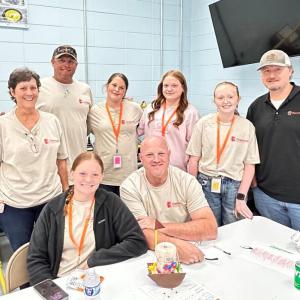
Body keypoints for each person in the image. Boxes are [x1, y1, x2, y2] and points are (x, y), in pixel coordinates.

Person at [27, 152, 148, 285]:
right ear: (72, 174)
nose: (89, 180)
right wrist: (52, 291)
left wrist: (96, 259)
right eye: (82, 174)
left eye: (95, 175)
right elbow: (36, 258)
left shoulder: (111, 202)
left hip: (99, 280)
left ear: (101, 177)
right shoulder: (53, 208)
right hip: (61, 282)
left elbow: (137, 242)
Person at [0, 68, 68, 251]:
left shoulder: (52, 121)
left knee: (54, 250)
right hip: (15, 204)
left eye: (33, 87)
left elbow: (61, 160)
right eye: (23, 88)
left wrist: (66, 194)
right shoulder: (3, 125)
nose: (29, 93)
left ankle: (51, 281)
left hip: (50, 199)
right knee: (23, 256)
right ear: (12, 92)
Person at [120, 136, 217, 264]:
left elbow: (210, 228)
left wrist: (158, 226)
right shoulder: (130, 187)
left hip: (191, 249)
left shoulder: (187, 181)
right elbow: (142, 234)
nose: (156, 159)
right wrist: (175, 247)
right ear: (140, 158)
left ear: (169, 154)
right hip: (154, 255)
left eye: (161, 153)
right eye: (149, 155)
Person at [187, 82, 260, 226]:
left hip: (234, 186)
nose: (226, 101)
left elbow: (250, 165)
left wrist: (241, 197)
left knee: (234, 227)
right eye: (220, 97)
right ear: (214, 100)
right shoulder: (203, 124)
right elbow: (193, 159)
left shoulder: (247, 126)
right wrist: (193, 191)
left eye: (230, 97)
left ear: (238, 99)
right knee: (210, 227)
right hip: (206, 183)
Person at [247, 49, 300, 230]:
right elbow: (249, 148)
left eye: (277, 69)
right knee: (275, 252)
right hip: (266, 197)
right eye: (266, 71)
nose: (271, 75)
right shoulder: (255, 106)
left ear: (290, 71)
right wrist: (252, 179)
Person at [37, 45, 93, 172]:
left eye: (70, 61)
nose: (66, 64)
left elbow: (89, 122)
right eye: (61, 60)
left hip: (78, 162)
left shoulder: (85, 89)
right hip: (50, 164)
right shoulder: (39, 87)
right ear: (52, 62)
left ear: (76, 65)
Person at [88, 73, 142, 196]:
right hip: (104, 173)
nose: (117, 89)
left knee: (127, 213)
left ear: (125, 91)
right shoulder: (95, 111)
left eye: (122, 87)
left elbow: (142, 127)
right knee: (106, 213)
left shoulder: (135, 108)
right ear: (107, 86)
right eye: (114, 85)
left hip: (128, 173)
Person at [138, 70, 199, 171]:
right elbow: (137, 131)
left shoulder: (190, 112)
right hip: (151, 167)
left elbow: (194, 148)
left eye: (174, 85)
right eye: (165, 85)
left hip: (177, 169)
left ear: (183, 88)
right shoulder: (151, 108)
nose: (169, 89)